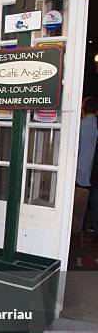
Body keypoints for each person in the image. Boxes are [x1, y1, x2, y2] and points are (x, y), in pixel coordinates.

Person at [72, 96, 98, 236]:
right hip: (93, 172)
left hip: (80, 171)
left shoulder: (81, 125)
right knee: (93, 203)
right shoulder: (94, 125)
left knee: (78, 205)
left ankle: (77, 229)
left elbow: (76, 149)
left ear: (83, 109)